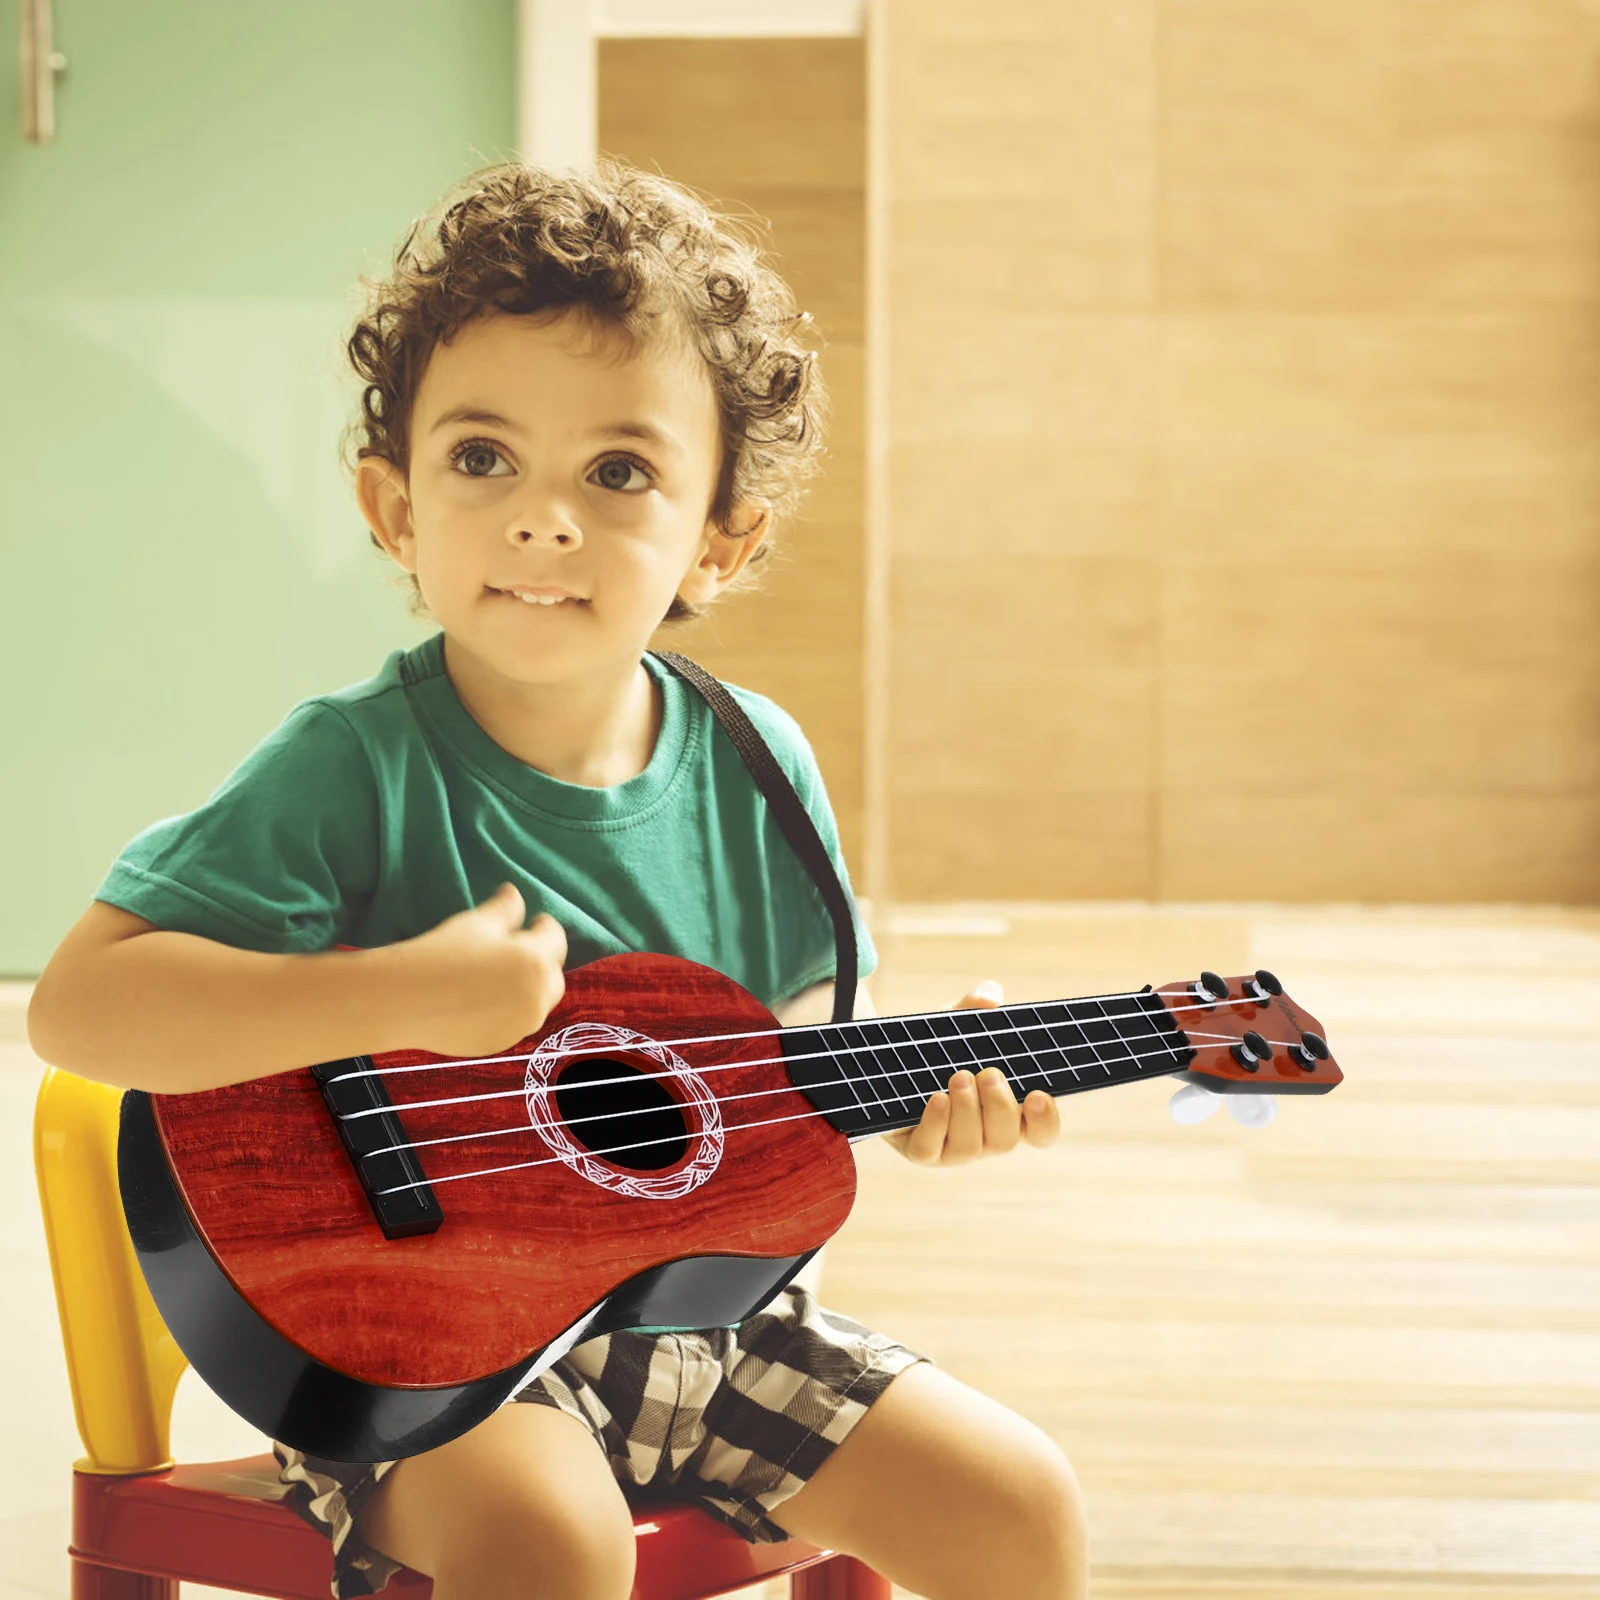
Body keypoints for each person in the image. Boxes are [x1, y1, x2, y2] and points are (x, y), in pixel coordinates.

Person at [27, 161, 1087, 1600]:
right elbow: (83, 1012)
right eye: (481, 460)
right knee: (550, 1543)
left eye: (619, 471)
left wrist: (918, 1098)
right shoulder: (351, 769)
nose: (543, 519)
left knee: (1020, 1504)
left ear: (724, 536)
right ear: (391, 507)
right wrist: (401, 991)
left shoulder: (754, 762)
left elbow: (773, 1072)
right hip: (427, 1365)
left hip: (717, 1337)